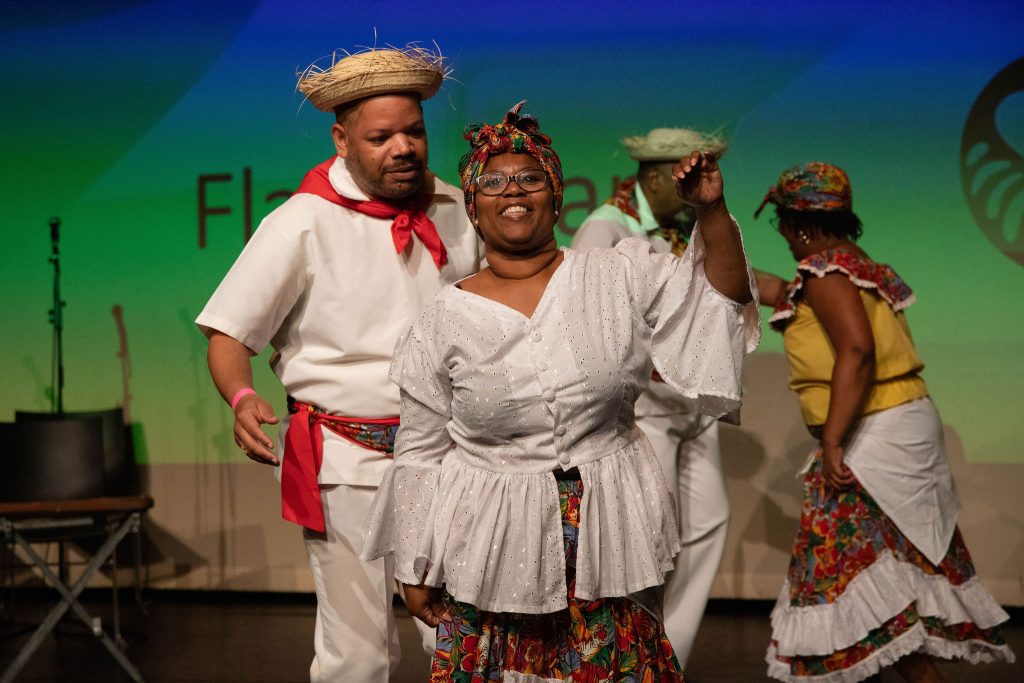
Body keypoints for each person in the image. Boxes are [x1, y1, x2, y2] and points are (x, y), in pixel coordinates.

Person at [362, 102, 759, 681]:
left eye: (529, 178)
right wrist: (415, 565)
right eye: (493, 183)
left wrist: (712, 211)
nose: (512, 191)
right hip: (493, 543)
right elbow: (420, 450)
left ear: (555, 193)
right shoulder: (442, 320)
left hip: (606, 535)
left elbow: (716, 298)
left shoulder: (616, 274)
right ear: (473, 207)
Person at [195, 45, 482, 681]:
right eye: (381, 137)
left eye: (413, 131)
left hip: (452, 459)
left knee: (465, 644)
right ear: (342, 138)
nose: (402, 148)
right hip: (345, 459)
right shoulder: (301, 222)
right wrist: (242, 399)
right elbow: (228, 333)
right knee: (358, 648)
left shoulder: (457, 209)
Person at [754, 162, 1014, 682]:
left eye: (781, 223)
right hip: (896, 426)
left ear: (799, 224)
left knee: (862, 587)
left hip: (870, 434)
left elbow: (857, 350)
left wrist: (832, 441)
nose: (781, 235)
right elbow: (776, 290)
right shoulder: (853, 266)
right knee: (881, 591)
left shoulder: (827, 273)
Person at [571, 127, 731, 668]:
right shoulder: (605, 228)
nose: (693, 186)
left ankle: (668, 658)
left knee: (708, 524)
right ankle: (628, 659)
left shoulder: (683, 224)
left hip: (691, 405)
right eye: (684, 177)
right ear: (658, 176)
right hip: (644, 410)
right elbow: (585, 317)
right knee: (647, 541)